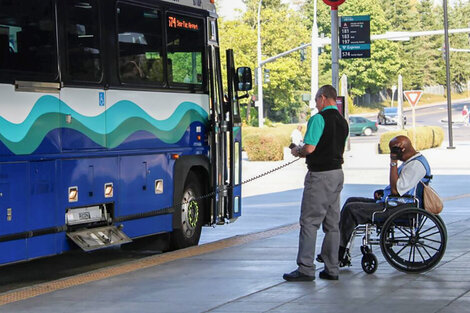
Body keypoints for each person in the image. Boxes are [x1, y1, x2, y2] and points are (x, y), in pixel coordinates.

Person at [283, 85, 349, 282]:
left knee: (310, 222)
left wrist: (298, 151)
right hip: (338, 173)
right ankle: (332, 268)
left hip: (320, 175)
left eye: (315, 99)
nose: (315, 104)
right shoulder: (342, 121)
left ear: (322, 97)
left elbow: (310, 148)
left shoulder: (318, 119)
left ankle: (305, 268)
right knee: (332, 224)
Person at [337, 135, 431, 265]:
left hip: (400, 208)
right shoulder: (412, 162)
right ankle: (340, 247)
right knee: (351, 200)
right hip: (396, 202)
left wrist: (393, 163)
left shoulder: (416, 165)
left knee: (351, 209)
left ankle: (339, 252)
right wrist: (383, 192)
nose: (392, 153)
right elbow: (400, 188)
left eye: (393, 150)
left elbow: (396, 191)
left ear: (401, 149)